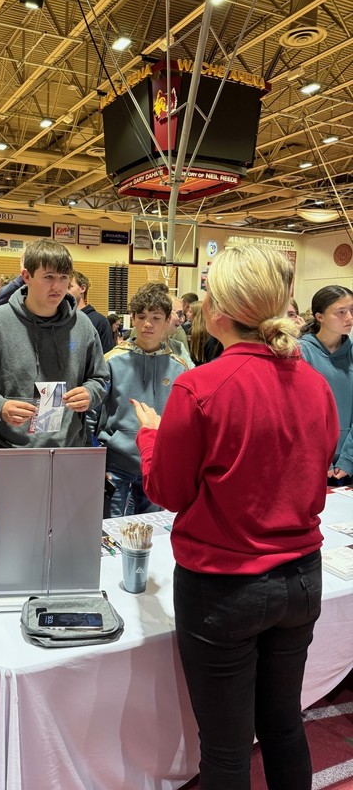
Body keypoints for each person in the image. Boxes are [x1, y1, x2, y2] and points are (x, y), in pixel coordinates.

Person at [132, 244, 339, 790]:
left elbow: (168, 490)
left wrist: (151, 436)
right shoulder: (315, 385)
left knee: (225, 751)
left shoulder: (200, 386)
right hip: (300, 578)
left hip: (224, 589)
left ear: (219, 310)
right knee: (283, 724)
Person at [0, 238, 109, 486]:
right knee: (15, 525)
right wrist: (0, 405)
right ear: (26, 276)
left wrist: (91, 392)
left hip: (69, 450)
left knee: (67, 524)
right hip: (12, 452)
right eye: (48, 277)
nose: (57, 286)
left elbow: (101, 379)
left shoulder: (83, 326)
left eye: (63, 277)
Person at [89, 285, 188, 517]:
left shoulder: (179, 368)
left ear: (167, 321)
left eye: (156, 318)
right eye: (141, 317)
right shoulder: (111, 361)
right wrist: (95, 458)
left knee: (150, 532)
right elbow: (92, 413)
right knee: (111, 531)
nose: (148, 324)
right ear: (132, 318)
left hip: (156, 464)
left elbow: (182, 422)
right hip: (116, 465)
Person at [300, 285, 353, 483]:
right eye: (340, 312)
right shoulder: (300, 354)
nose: (349, 317)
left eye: (352, 310)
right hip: (309, 459)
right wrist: (320, 457)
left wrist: (349, 458)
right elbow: (300, 412)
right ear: (319, 316)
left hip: (346, 464)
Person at [68, 270, 114, 352]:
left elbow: (105, 357)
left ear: (82, 288)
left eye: (69, 287)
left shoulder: (100, 322)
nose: (64, 291)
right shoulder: (59, 318)